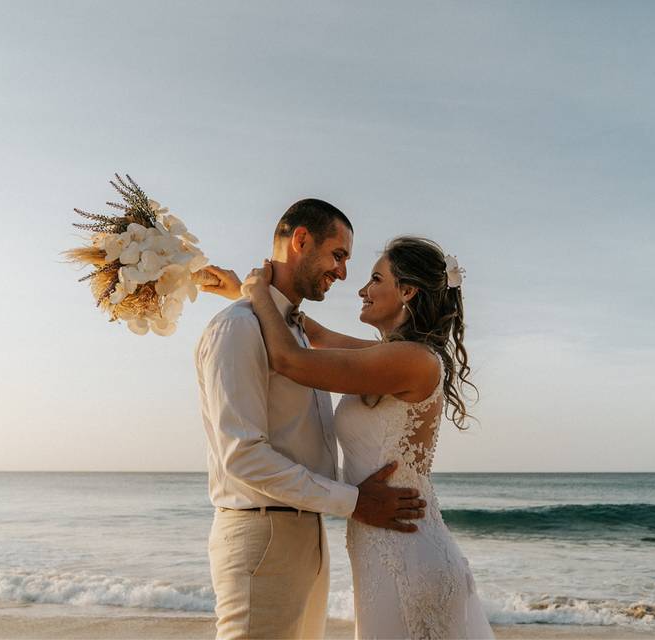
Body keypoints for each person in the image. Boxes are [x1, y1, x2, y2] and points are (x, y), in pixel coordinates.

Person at [238, 236, 494, 639]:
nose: (361, 289)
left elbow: (291, 360)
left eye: (375, 278)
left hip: (406, 553)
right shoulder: (394, 356)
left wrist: (257, 293)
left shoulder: (409, 360)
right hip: (385, 547)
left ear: (407, 291)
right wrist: (248, 291)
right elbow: (318, 335)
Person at [195, 200, 427, 640]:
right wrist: (355, 502)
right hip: (264, 534)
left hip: (307, 530)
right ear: (301, 240)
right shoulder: (240, 328)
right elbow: (242, 457)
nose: (343, 274)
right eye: (338, 255)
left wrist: (253, 293)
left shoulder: (294, 334)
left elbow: (299, 344)